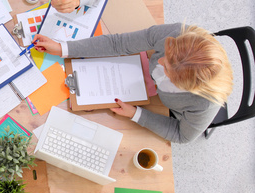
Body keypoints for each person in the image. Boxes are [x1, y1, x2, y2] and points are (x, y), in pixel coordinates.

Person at [33, 23, 234, 143]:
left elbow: (182, 135)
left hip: (156, 106)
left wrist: (137, 114)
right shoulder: (178, 34)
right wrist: (63, 48)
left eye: (168, 69)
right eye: (166, 55)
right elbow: (118, 43)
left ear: (187, 87)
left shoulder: (205, 103)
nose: (160, 60)